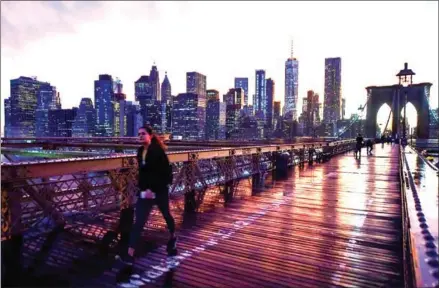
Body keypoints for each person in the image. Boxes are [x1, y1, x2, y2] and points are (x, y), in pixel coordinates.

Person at [117, 126, 177, 269]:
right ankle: (130, 255)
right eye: (138, 134)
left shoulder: (158, 152)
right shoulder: (140, 152)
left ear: (150, 135)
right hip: (145, 193)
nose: (140, 136)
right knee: (138, 223)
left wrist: (154, 189)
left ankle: (173, 238)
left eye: (143, 134)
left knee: (167, 215)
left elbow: (167, 174)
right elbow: (143, 174)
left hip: (160, 191)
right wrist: (143, 189)